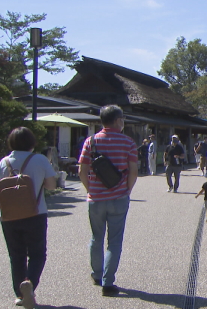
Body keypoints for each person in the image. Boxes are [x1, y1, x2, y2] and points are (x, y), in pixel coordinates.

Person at [78, 105, 138, 297]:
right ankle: (108, 281)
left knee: (96, 237)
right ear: (118, 120)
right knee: (114, 241)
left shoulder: (91, 141)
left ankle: (96, 274)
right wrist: (127, 189)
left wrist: (90, 190)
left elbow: (82, 170)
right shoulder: (128, 142)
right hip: (119, 197)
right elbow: (133, 170)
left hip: (95, 198)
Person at [0, 127, 57, 309]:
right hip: (35, 213)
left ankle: (20, 295)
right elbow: (52, 186)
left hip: (9, 216)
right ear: (32, 142)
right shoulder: (40, 159)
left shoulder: (4, 162)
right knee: (37, 254)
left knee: (16, 255)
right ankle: (29, 285)